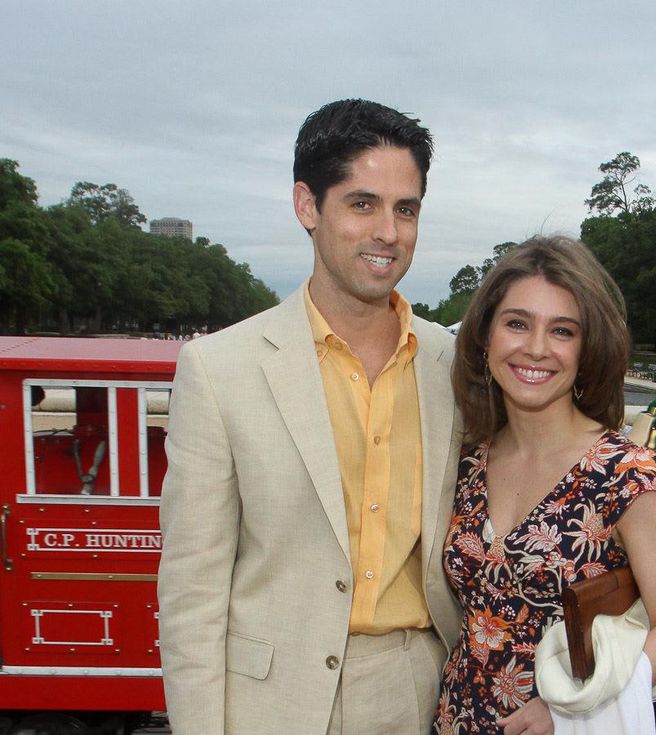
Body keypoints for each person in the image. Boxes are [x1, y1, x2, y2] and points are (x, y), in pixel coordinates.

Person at [158, 99, 462, 735]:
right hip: (269, 704)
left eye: (406, 209)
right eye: (362, 203)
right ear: (307, 206)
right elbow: (192, 590)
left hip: (419, 693)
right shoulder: (220, 369)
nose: (389, 231)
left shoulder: (455, 364)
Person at [435, 236, 656, 734]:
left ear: (587, 348)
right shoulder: (471, 459)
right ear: (485, 336)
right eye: (517, 323)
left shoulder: (626, 475)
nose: (536, 348)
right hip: (456, 720)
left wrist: (572, 709)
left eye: (562, 331)